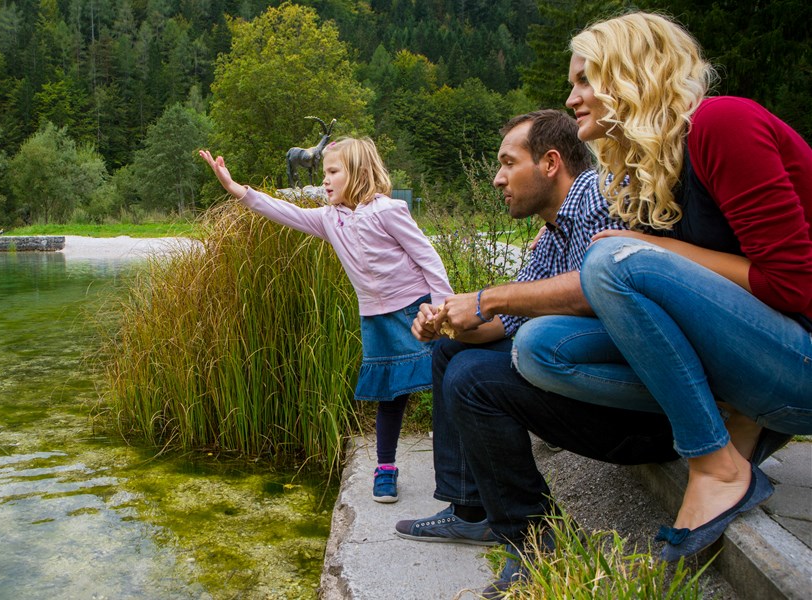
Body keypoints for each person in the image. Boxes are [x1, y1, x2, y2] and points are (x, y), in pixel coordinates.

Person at [509, 11, 812, 564]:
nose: (571, 97)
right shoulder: (645, 170)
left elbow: (795, 288)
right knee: (538, 347)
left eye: (584, 79)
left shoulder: (724, 125)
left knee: (614, 257)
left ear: (632, 75)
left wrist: (653, 250)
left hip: (800, 362)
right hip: (747, 357)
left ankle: (715, 462)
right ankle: (732, 417)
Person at [391, 109, 678, 569]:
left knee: (473, 378)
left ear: (549, 163)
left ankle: (535, 540)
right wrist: (450, 321)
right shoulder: (552, 231)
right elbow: (504, 324)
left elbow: (598, 289)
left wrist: (489, 298)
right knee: (452, 351)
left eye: (508, 163)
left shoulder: (595, 195)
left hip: (647, 412)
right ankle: (471, 510)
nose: (497, 179)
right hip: (595, 382)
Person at [199, 138, 453, 503]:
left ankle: (453, 465)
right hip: (376, 319)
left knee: (442, 382)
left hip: (418, 310)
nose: (326, 181)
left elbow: (427, 257)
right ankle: (385, 468)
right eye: (324, 174)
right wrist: (236, 189)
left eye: (333, 172)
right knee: (390, 393)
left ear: (359, 173)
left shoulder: (388, 210)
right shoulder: (328, 219)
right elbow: (283, 211)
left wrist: (442, 307)